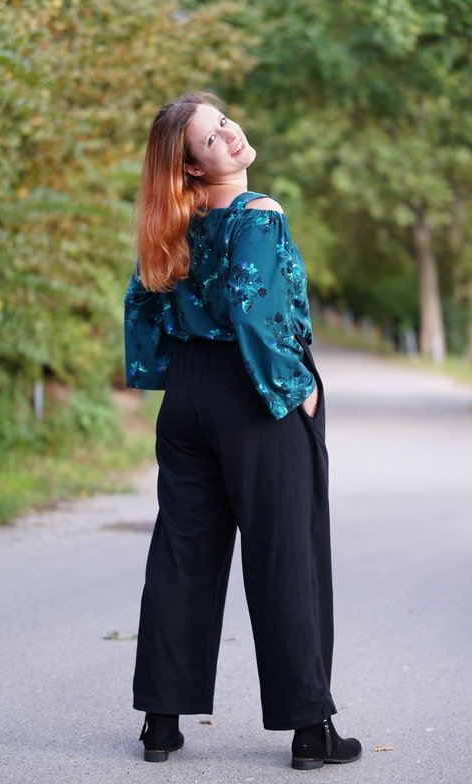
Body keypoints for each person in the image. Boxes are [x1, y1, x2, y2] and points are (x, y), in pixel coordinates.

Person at [123, 90, 362, 770]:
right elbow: (255, 312)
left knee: (183, 553)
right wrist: (296, 389)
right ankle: (310, 730)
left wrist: (165, 375)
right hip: (256, 392)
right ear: (192, 166)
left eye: (224, 121)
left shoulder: (174, 223)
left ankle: (160, 724)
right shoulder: (258, 213)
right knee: (285, 552)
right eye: (210, 138)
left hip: (188, 397)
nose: (229, 135)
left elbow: (141, 301)